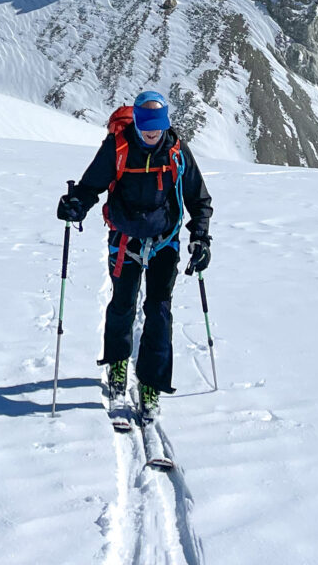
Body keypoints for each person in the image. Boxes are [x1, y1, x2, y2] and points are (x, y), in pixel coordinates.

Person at [56, 90, 212, 421]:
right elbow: (90, 186)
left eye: (157, 128)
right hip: (124, 239)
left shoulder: (176, 151)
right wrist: (75, 206)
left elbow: (199, 199)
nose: (151, 135)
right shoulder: (118, 146)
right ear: (137, 124)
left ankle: (151, 383)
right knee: (122, 304)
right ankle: (117, 363)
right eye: (146, 129)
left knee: (158, 311)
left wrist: (200, 238)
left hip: (164, 240)